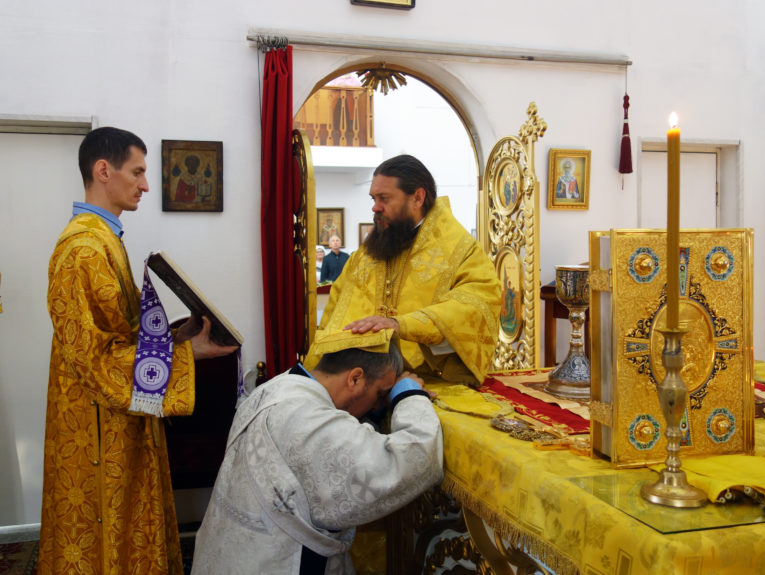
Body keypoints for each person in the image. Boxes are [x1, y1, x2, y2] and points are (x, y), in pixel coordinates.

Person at [38, 127, 239, 575]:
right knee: (106, 536)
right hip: (98, 428)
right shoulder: (84, 250)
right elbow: (96, 360)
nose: (146, 185)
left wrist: (177, 339)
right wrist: (189, 355)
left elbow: (122, 339)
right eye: (137, 172)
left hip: (116, 417)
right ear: (103, 170)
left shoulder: (105, 239)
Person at [191, 331, 443, 574]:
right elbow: (416, 458)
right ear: (355, 378)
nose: (380, 404)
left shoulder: (276, 387)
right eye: (381, 394)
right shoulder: (313, 423)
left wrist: (374, 412)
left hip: (225, 555)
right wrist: (409, 395)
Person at [307, 155, 502, 385]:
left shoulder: (460, 250)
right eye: (373, 198)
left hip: (428, 381)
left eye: (384, 198)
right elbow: (333, 314)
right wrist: (316, 374)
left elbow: (477, 306)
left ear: (418, 198)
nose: (375, 207)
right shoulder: (365, 255)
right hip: (359, 383)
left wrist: (402, 325)